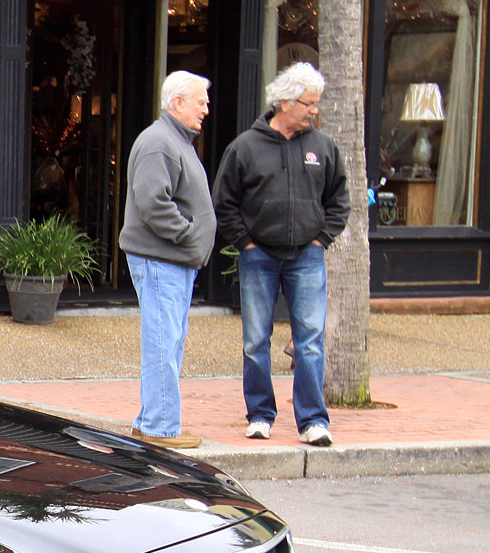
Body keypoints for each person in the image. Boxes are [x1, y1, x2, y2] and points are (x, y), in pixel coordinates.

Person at [212, 62, 348, 447]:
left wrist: (322, 238)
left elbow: (340, 198)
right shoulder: (245, 147)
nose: (314, 110)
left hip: (307, 256)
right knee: (256, 339)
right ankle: (259, 415)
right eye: (308, 103)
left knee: (309, 341)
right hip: (259, 257)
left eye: (316, 103)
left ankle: (313, 421)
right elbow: (225, 202)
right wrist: (246, 242)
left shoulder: (323, 147)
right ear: (285, 103)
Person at [119, 71, 216, 449]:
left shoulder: (174, 141)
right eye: (200, 102)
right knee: (163, 342)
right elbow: (153, 204)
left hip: (173, 260)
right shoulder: (160, 142)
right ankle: (161, 428)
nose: (206, 109)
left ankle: (150, 422)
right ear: (177, 103)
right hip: (162, 259)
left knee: (168, 341)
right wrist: (189, 234)